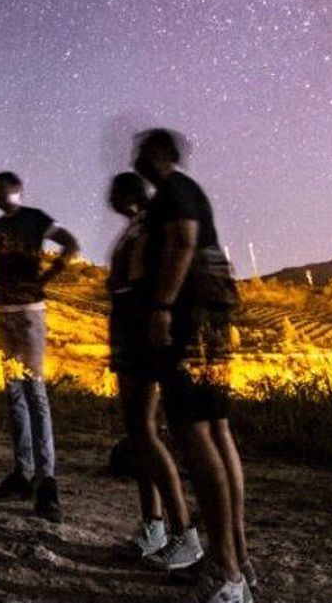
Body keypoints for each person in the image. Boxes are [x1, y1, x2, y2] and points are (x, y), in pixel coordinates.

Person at [134, 129, 253, 603]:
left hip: (192, 323)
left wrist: (162, 306)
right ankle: (236, 560)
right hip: (212, 320)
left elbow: (183, 241)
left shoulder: (173, 193)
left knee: (195, 433)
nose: (136, 158)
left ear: (160, 156)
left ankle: (226, 574)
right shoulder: (187, 192)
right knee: (217, 432)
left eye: (143, 151)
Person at [105, 171, 195, 566]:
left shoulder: (149, 225)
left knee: (146, 431)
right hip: (127, 328)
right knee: (138, 434)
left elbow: (152, 276)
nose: (110, 197)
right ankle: (153, 526)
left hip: (140, 329)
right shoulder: (134, 229)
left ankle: (184, 533)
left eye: (116, 191)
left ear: (129, 194)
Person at [0, 170, 81, 523]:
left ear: (17, 190)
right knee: (14, 392)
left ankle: (47, 480)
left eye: (2, 189)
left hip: (28, 316)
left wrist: (45, 279)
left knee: (35, 393)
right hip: (4, 315)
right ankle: (23, 474)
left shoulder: (36, 219)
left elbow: (70, 243)